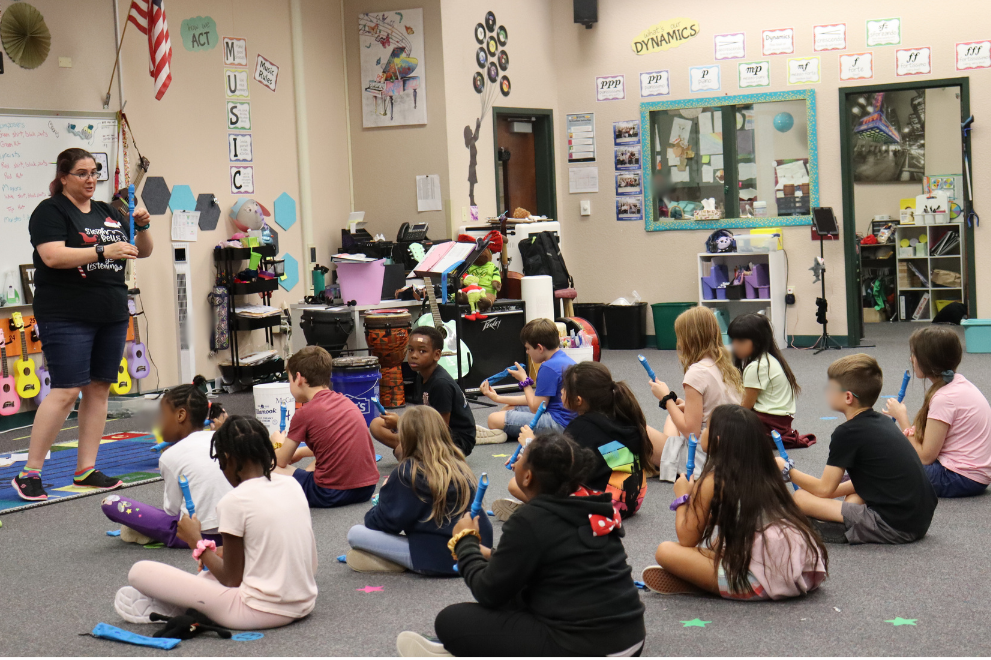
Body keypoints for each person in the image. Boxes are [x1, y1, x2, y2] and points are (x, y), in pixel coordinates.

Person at [396, 433, 645, 658]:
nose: (515, 462)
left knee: (450, 620)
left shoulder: (530, 520)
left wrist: (465, 543)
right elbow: (562, 565)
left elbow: (488, 592)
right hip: (632, 639)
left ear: (527, 476)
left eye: (521, 457)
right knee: (516, 590)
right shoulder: (592, 506)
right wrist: (493, 556)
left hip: (581, 648)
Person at [13, 148, 154, 501]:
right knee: (65, 390)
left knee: (98, 389)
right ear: (63, 177)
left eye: (94, 172)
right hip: (65, 314)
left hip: (110, 312)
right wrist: (104, 252)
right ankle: (29, 473)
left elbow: (142, 249)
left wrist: (145, 225)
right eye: (82, 173)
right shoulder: (50, 211)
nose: (90, 179)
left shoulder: (108, 212)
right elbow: (52, 255)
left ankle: (85, 470)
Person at [113, 417, 318, 630]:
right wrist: (219, 552)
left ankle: (188, 605)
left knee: (139, 571)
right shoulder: (290, 484)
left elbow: (231, 579)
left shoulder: (233, 501)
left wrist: (197, 542)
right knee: (208, 573)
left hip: (257, 612)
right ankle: (191, 602)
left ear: (226, 459)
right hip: (304, 602)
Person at [641, 405, 827, 600]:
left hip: (761, 582)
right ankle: (704, 576)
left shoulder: (713, 480)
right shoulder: (767, 466)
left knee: (666, 551)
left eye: (707, 428)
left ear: (718, 441)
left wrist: (682, 497)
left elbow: (687, 539)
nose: (703, 432)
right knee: (717, 543)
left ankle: (703, 582)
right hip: (802, 568)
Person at [786, 354, 937, 544]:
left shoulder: (846, 433)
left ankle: (841, 529)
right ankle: (848, 522)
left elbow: (824, 488)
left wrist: (787, 471)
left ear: (848, 397)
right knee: (854, 493)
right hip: (917, 520)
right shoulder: (882, 422)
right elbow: (868, 481)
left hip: (895, 526)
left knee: (799, 498)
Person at [492, 361, 656, 522]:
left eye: (564, 389)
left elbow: (559, 468)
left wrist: (531, 446)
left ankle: (545, 511)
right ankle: (542, 509)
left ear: (578, 400)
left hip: (605, 508)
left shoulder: (582, 428)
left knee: (517, 484)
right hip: (633, 501)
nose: (561, 392)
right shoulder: (621, 415)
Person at [346, 406, 493, 574]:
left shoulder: (408, 471)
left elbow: (380, 523)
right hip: (477, 554)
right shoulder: (460, 465)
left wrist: (385, 495)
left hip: (437, 560)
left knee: (355, 533)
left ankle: (395, 560)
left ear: (406, 438)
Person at [101, 385, 231, 548]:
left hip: (197, 536)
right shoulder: (223, 437)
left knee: (110, 502)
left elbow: (171, 510)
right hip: (237, 532)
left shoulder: (170, 456)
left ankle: (145, 530)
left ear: (181, 415)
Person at [884, 326, 991, 497]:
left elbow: (926, 457)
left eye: (914, 355)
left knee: (885, 465)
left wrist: (902, 417)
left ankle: (834, 490)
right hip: (973, 476)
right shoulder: (958, 383)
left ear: (928, 361)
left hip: (957, 478)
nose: (911, 359)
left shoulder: (945, 398)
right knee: (888, 460)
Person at [272, 346, 378, 508]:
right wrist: (300, 452)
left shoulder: (304, 413)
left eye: (289, 379)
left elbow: (281, 461)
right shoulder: (345, 401)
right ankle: (306, 480)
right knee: (317, 463)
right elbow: (334, 444)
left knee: (266, 466)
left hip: (328, 493)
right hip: (366, 489)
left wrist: (278, 442)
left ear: (298, 378)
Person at [648, 306, 742, 481]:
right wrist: (687, 406)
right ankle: (668, 457)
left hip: (704, 456)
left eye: (680, 337)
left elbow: (692, 432)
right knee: (674, 417)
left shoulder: (696, 372)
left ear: (689, 339)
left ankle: (669, 460)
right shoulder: (723, 362)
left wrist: (666, 398)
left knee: (639, 430)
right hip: (729, 448)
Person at [371, 327, 477, 457]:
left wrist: (401, 423)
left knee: (401, 451)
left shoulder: (441, 384)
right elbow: (423, 415)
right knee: (376, 425)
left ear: (437, 355)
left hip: (454, 441)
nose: (414, 355)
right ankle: (414, 452)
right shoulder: (421, 375)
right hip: (430, 432)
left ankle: (420, 455)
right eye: (411, 350)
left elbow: (440, 431)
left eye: (422, 351)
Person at [478, 318, 577, 443]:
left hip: (558, 425)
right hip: (567, 421)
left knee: (493, 419)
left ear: (540, 348)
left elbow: (536, 407)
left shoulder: (548, 367)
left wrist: (525, 381)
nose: (527, 352)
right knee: (509, 408)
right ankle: (501, 433)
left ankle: (504, 434)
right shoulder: (563, 359)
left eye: (528, 348)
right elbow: (537, 398)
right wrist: (497, 398)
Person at [728, 313, 815, 448]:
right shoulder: (768, 359)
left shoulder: (756, 367)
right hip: (780, 422)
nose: (735, 346)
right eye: (733, 340)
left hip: (769, 423)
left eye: (741, 341)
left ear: (757, 341)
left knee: (721, 420)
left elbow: (746, 407)